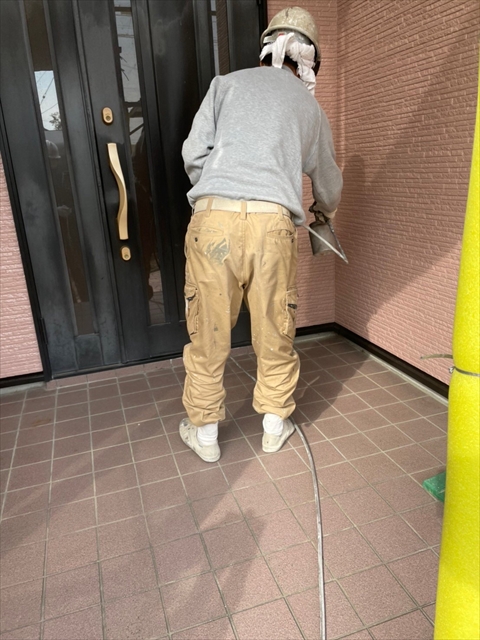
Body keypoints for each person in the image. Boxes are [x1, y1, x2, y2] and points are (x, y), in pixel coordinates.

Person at [179, 6, 343, 462]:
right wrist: (324, 212)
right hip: (273, 223)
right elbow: (328, 181)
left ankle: (205, 436)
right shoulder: (310, 109)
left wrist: (215, 194)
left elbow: (193, 153)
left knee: (208, 332)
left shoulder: (225, 85)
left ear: (265, 49)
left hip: (213, 218)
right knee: (274, 327)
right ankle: (274, 426)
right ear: (309, 63)